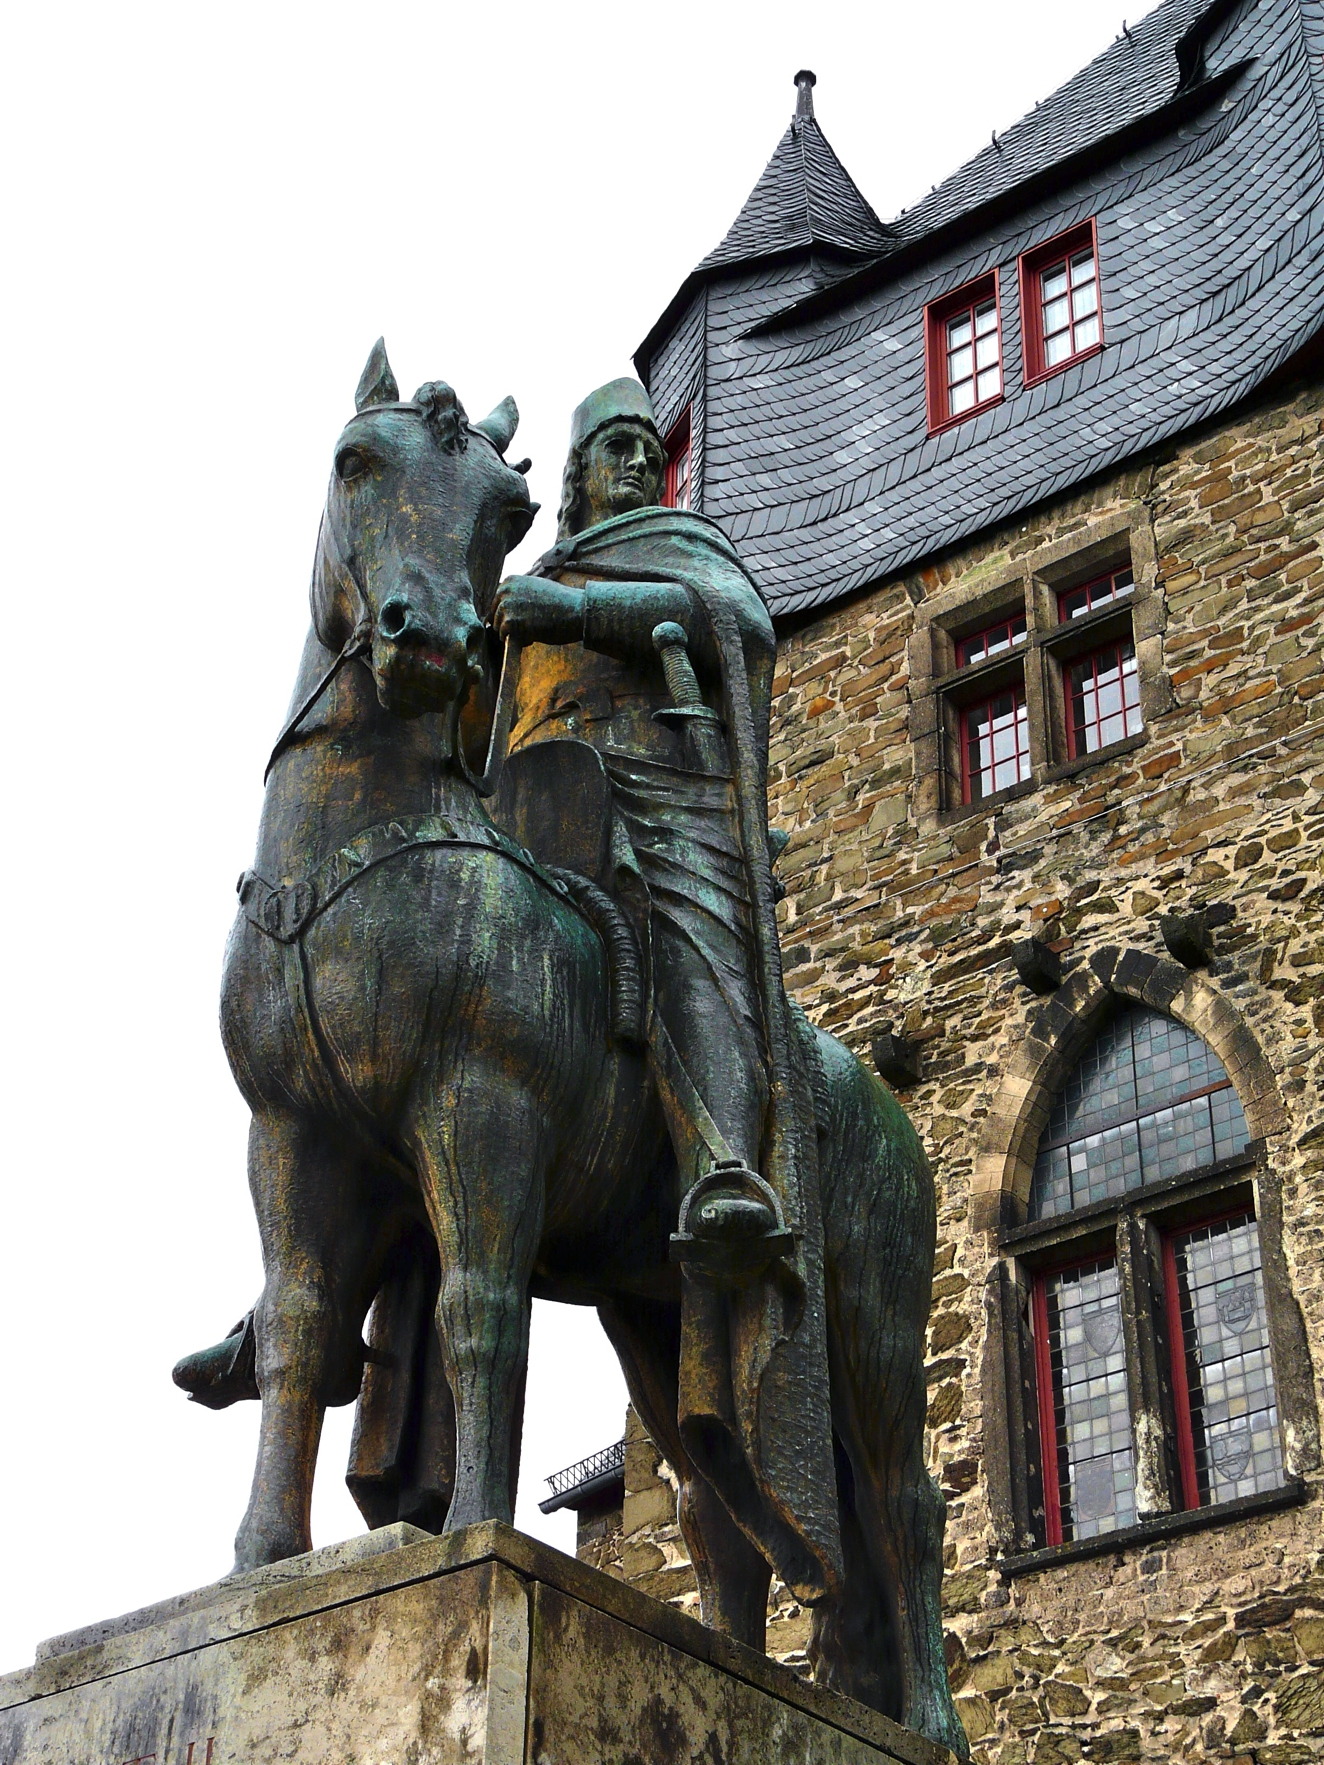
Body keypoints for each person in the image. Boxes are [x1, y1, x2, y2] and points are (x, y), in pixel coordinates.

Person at [492, 378, 840, 1601]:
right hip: (532, 821)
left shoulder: (679, 550)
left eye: (649, 448)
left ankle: (722, 1168)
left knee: (693, 925)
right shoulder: (516, 586)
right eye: (612, 452)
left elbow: (735, 622)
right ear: (576, 475)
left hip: (660, 798)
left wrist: (582, 618)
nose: (635, 466)